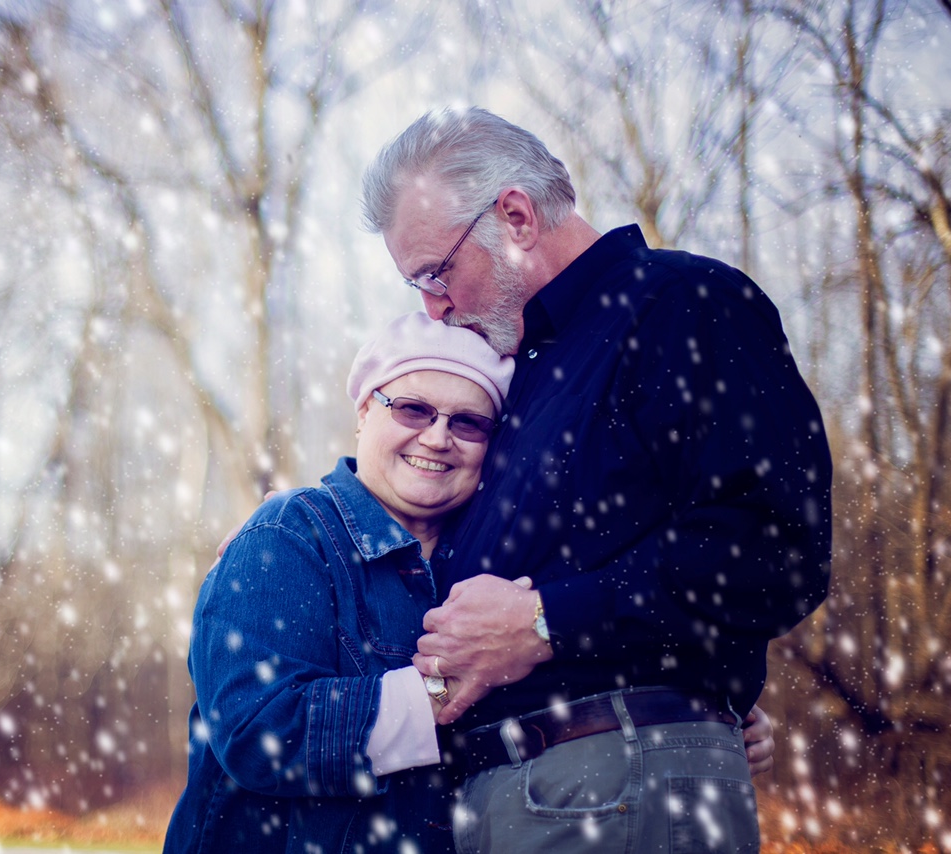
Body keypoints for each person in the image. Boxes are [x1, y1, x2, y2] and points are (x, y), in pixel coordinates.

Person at [359, 107, 832, 853]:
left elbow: (775, 550)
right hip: (503, 802)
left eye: (435, 273)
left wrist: (550, 623)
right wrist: (301, 537)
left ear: (514, 216)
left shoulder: (681, 305)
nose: (432, 307)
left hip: (609, 792)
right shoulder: (516, 379)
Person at [164, 312, 515, 853]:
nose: (439, 436)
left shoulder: (486, 574)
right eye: (413, 409)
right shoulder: (289, 535)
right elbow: (259, 730)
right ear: (364, 411)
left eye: (469, 422)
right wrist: (435, 696)